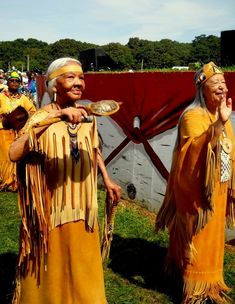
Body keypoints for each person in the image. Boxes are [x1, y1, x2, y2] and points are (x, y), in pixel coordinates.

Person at [9, 57, 121, 304]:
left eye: (81, 77)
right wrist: (57, 118)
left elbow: (93, 149)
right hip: (51, 209)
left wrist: (107, 179)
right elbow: (14, 153)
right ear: (53, 85)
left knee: (82, 267)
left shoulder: (87, 115)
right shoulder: (40, 118)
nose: (78, 82)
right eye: (70, 77)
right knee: (52, 269)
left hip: (83, 206)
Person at [156, 62, 235, 303]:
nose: (221, 88)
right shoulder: (192, 116)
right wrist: (219, 124)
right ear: (202, 90)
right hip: (197, 191)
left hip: (218, 188)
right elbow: (192, 152)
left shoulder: (221, 114)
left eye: (223, 83)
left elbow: (229, 149)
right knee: (198, 235)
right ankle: (196, 288)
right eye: (215, 84)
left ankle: (211, 282)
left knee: (213, 237)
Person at [0, 70, 36, 191]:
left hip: (18, 133)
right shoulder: (1, 97)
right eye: (12, 80)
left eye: (17, 81)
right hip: (4, 131)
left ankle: (16, 182)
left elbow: (33, 112)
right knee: (5, 156)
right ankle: (7, 182)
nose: (14, 83)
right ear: (8, 82)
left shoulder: (24, 99)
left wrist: (24, 119)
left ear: (20, 83)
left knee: (16, 156)